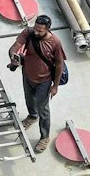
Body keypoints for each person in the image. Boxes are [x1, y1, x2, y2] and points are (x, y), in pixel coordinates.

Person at [5, 14, 66, 147]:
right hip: (27, 74)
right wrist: (13, 57)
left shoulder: (55, 42)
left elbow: (59, 64)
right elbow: (14, 47)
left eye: (40, 30)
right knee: (29, 98)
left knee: (43, 109)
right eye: (35, 28)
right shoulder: (28, 32)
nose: (36, 32)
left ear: (48, 29)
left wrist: (55, 86)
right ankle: (32, 116)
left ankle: (44, 137)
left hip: (44, 80)